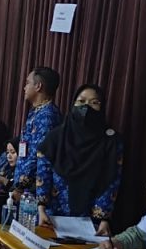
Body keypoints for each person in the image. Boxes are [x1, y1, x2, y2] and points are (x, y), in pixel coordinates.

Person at [36, 84, 123, 235]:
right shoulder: (55, 137)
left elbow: (111, 181)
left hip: (90, 223)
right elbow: (43, 175)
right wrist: (41, 208)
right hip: (52, 218)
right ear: (73, 104)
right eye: (81, 102)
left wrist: (104, 219)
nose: (86, 107)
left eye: (94, 103)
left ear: (102, 107)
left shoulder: (111, 141)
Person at [12, 67, 62, 201]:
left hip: (36, 190)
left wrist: (20, 187)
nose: (24, 88)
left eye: (27, 83)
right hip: (25, 187)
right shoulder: (35, 112)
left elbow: (39, 154)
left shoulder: (48, 116)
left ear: (38, 86)